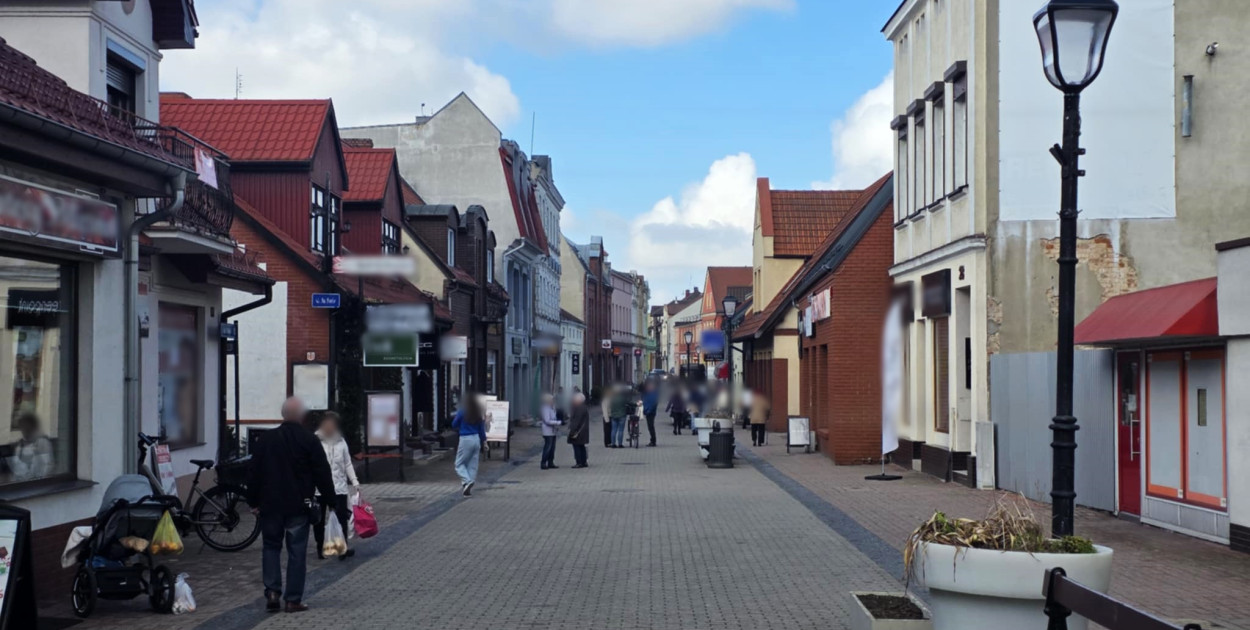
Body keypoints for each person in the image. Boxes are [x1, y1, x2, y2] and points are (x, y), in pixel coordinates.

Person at [247, 397, 336, 614]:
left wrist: (253, 501)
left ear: (283, 415)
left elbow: (253, 472)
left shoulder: (266, 440)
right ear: (302, 416)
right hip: (299, 505)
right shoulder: (309, 440)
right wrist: (332, 501)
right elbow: (322, 473)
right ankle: (293, 599)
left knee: (270, 547)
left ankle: (273, 592)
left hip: (270, 505)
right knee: (297, 552)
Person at [313, 412, 358, 561]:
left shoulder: (341, 441)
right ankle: (320, 547)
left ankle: (341, 548)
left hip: (339, 487)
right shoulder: (315, 441)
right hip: (320, 488)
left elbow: (347, 463)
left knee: (341, 518)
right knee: (319, 519)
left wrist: (354, 481)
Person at [452, 395, 487, 496]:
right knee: (473, 464)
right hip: (476, 438)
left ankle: (467, 481)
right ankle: (467, 485)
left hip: (465, 438)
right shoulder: (478, 413)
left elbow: (454, 424)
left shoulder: (463, 411)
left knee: (459, 464)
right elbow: (481, 429)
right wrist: (484, 441)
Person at [566, 392, 590, 468]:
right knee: (581, 446)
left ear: (579, 400)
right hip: (583, 431)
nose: (573, 401)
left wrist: (572, 431)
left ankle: (579, 462)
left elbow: (576, 421)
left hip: (578, 431)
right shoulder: (583, 407)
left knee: (577, 446)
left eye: (574, 399)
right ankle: (584, 461)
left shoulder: (579, 408)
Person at [539, 393, 561, 470]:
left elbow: (553, 417)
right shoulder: (545, 408)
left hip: (553, 430)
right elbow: (547, 420)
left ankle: (551, 462)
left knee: (552, 447)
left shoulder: (552, 407)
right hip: (547, 431)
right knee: (548, 447)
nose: (553, 401)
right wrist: (558, 422)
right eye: (552, 400)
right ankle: (543, 462)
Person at [608, 384, 629, 448]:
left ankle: (613, 444)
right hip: (622, 415)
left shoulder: (612, 398)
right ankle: (620, 444)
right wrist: (636, 404)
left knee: (613, 430)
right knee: (621, 430)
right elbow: (629, 402)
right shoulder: (622, 398)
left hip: (614, 416)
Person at [641, 382, 659, 447]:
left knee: (651, 427)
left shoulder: (653, 394)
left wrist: (648, 411)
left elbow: (653, 404)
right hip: (647, 412)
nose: (647, 388)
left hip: (650, 413)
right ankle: (653, 440)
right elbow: (644, 401)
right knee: (650, 427)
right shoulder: (647, 394)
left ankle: (653, 441)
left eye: (649, 387)